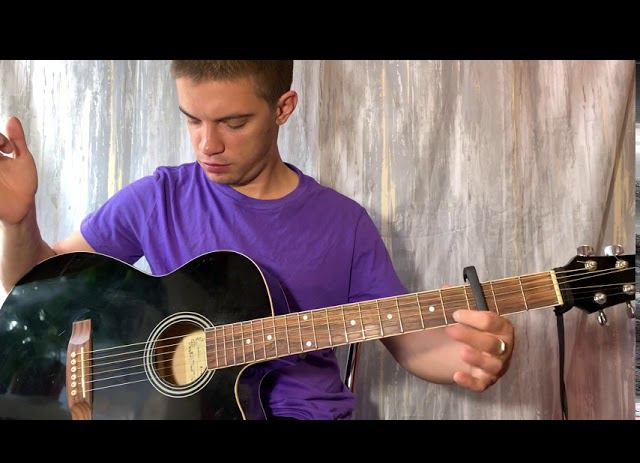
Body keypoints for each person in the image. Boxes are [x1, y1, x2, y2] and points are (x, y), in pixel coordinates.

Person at [0, 60, 514, 420]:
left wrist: (471, 356)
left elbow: (410, 343)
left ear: (283, 107)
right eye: (192, 119)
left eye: (233, 122)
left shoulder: (344, 223)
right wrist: (19, 221)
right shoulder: (158, 197)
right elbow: (37, 293)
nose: (207, 144)